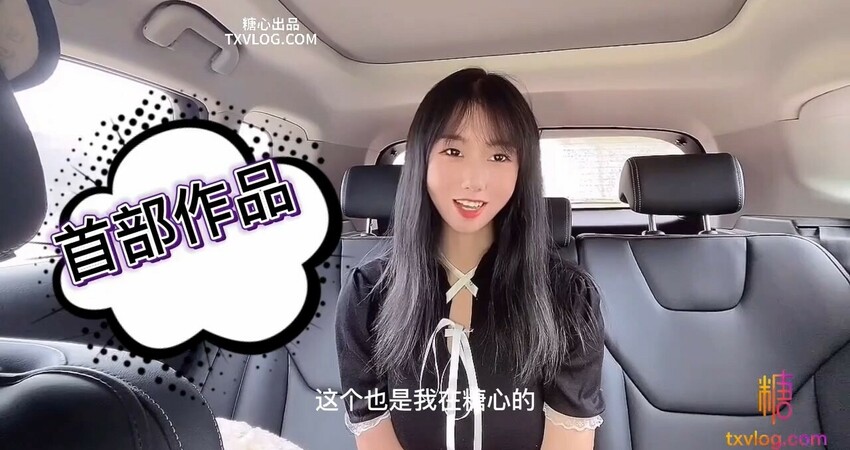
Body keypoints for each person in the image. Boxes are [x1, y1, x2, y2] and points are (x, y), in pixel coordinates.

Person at [335, 67, 605, 450]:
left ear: (523, 170)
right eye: (453, 151)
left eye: (499, 156)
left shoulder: (568, 297)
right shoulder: (368, 295)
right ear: (421, 159)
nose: (474, 181)